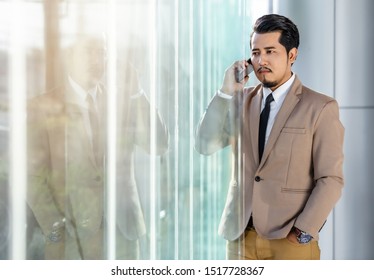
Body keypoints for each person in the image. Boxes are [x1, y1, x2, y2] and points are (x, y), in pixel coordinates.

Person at [195, 14, 344, 260]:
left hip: (289, 241)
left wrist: (304, 230)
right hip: (241, 239)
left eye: (270, 51)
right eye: (255, 52)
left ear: (292, 55)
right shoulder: (240, 102)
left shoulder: (320, 107)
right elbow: (204, 144)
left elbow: (330, 178)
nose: (261, 60)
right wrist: (224, 93)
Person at [26, 34, 168, 259]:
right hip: (71, 237)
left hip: (124, 233)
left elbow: (158, 144)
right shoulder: (42, 108)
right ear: (70, 57)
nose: (96, 60)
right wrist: (54, 227)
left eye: (101, 52)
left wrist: (136, 92)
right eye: (88, 52)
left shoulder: (123, 102)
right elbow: (31, 175)